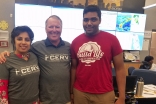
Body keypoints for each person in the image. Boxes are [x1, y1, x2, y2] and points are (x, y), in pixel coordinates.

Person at [0, 15, 71, 104]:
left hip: (63, 100)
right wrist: (4, 53)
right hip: (45, 101)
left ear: (61, 28)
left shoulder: (68, 46)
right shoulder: (37, 47)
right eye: (50, 27)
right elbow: (20, 50)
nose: (54, 30)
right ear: (45, 29)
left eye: (57, 27)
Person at [70, 5, 126, 104]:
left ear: (100, 20)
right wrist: (71, 92)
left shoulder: (112, 40)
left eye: (93, 20)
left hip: (105, 94)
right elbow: (74, 68)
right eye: (86, 20)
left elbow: (120, 68)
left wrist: (122, 97)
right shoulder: (75, 42)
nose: (89, 23)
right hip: (80, 93)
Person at [0, 26, 40, 104]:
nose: (23, 42)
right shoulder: (5, 60)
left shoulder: (34, 57)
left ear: (30, 42)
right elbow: (2, 88)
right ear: (13, 41)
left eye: (27, 40)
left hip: (35, 101)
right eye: (19, 39)